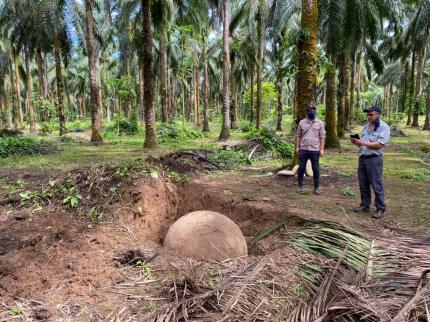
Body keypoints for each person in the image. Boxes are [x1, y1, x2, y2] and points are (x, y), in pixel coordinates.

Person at [350, 105, 391, 219]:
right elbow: (362, 143)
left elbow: (379, 144)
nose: (369, 117)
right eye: (368, 115)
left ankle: (380, 208)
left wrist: (362, 143)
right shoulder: (367, 127)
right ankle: (365, 204)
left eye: (371, 114)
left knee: (376, 184)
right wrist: (356, 141)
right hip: (363, 158)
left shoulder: (384, 127)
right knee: (363, 183)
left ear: (378, 114)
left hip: (374, 159)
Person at [295, 104, 326, 195]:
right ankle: (299, 186)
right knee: (301, 168)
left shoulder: (320, 123)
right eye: (310, 110)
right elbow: (298, 135)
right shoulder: (301, 122)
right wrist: (297, 147)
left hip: (315, 150)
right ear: (307, 112)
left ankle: (316, 187)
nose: (311, 112)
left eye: (313, 110)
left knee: (316, 169)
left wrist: (322, 149)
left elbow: (322, 137)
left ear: (315, 111)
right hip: (303, 149)